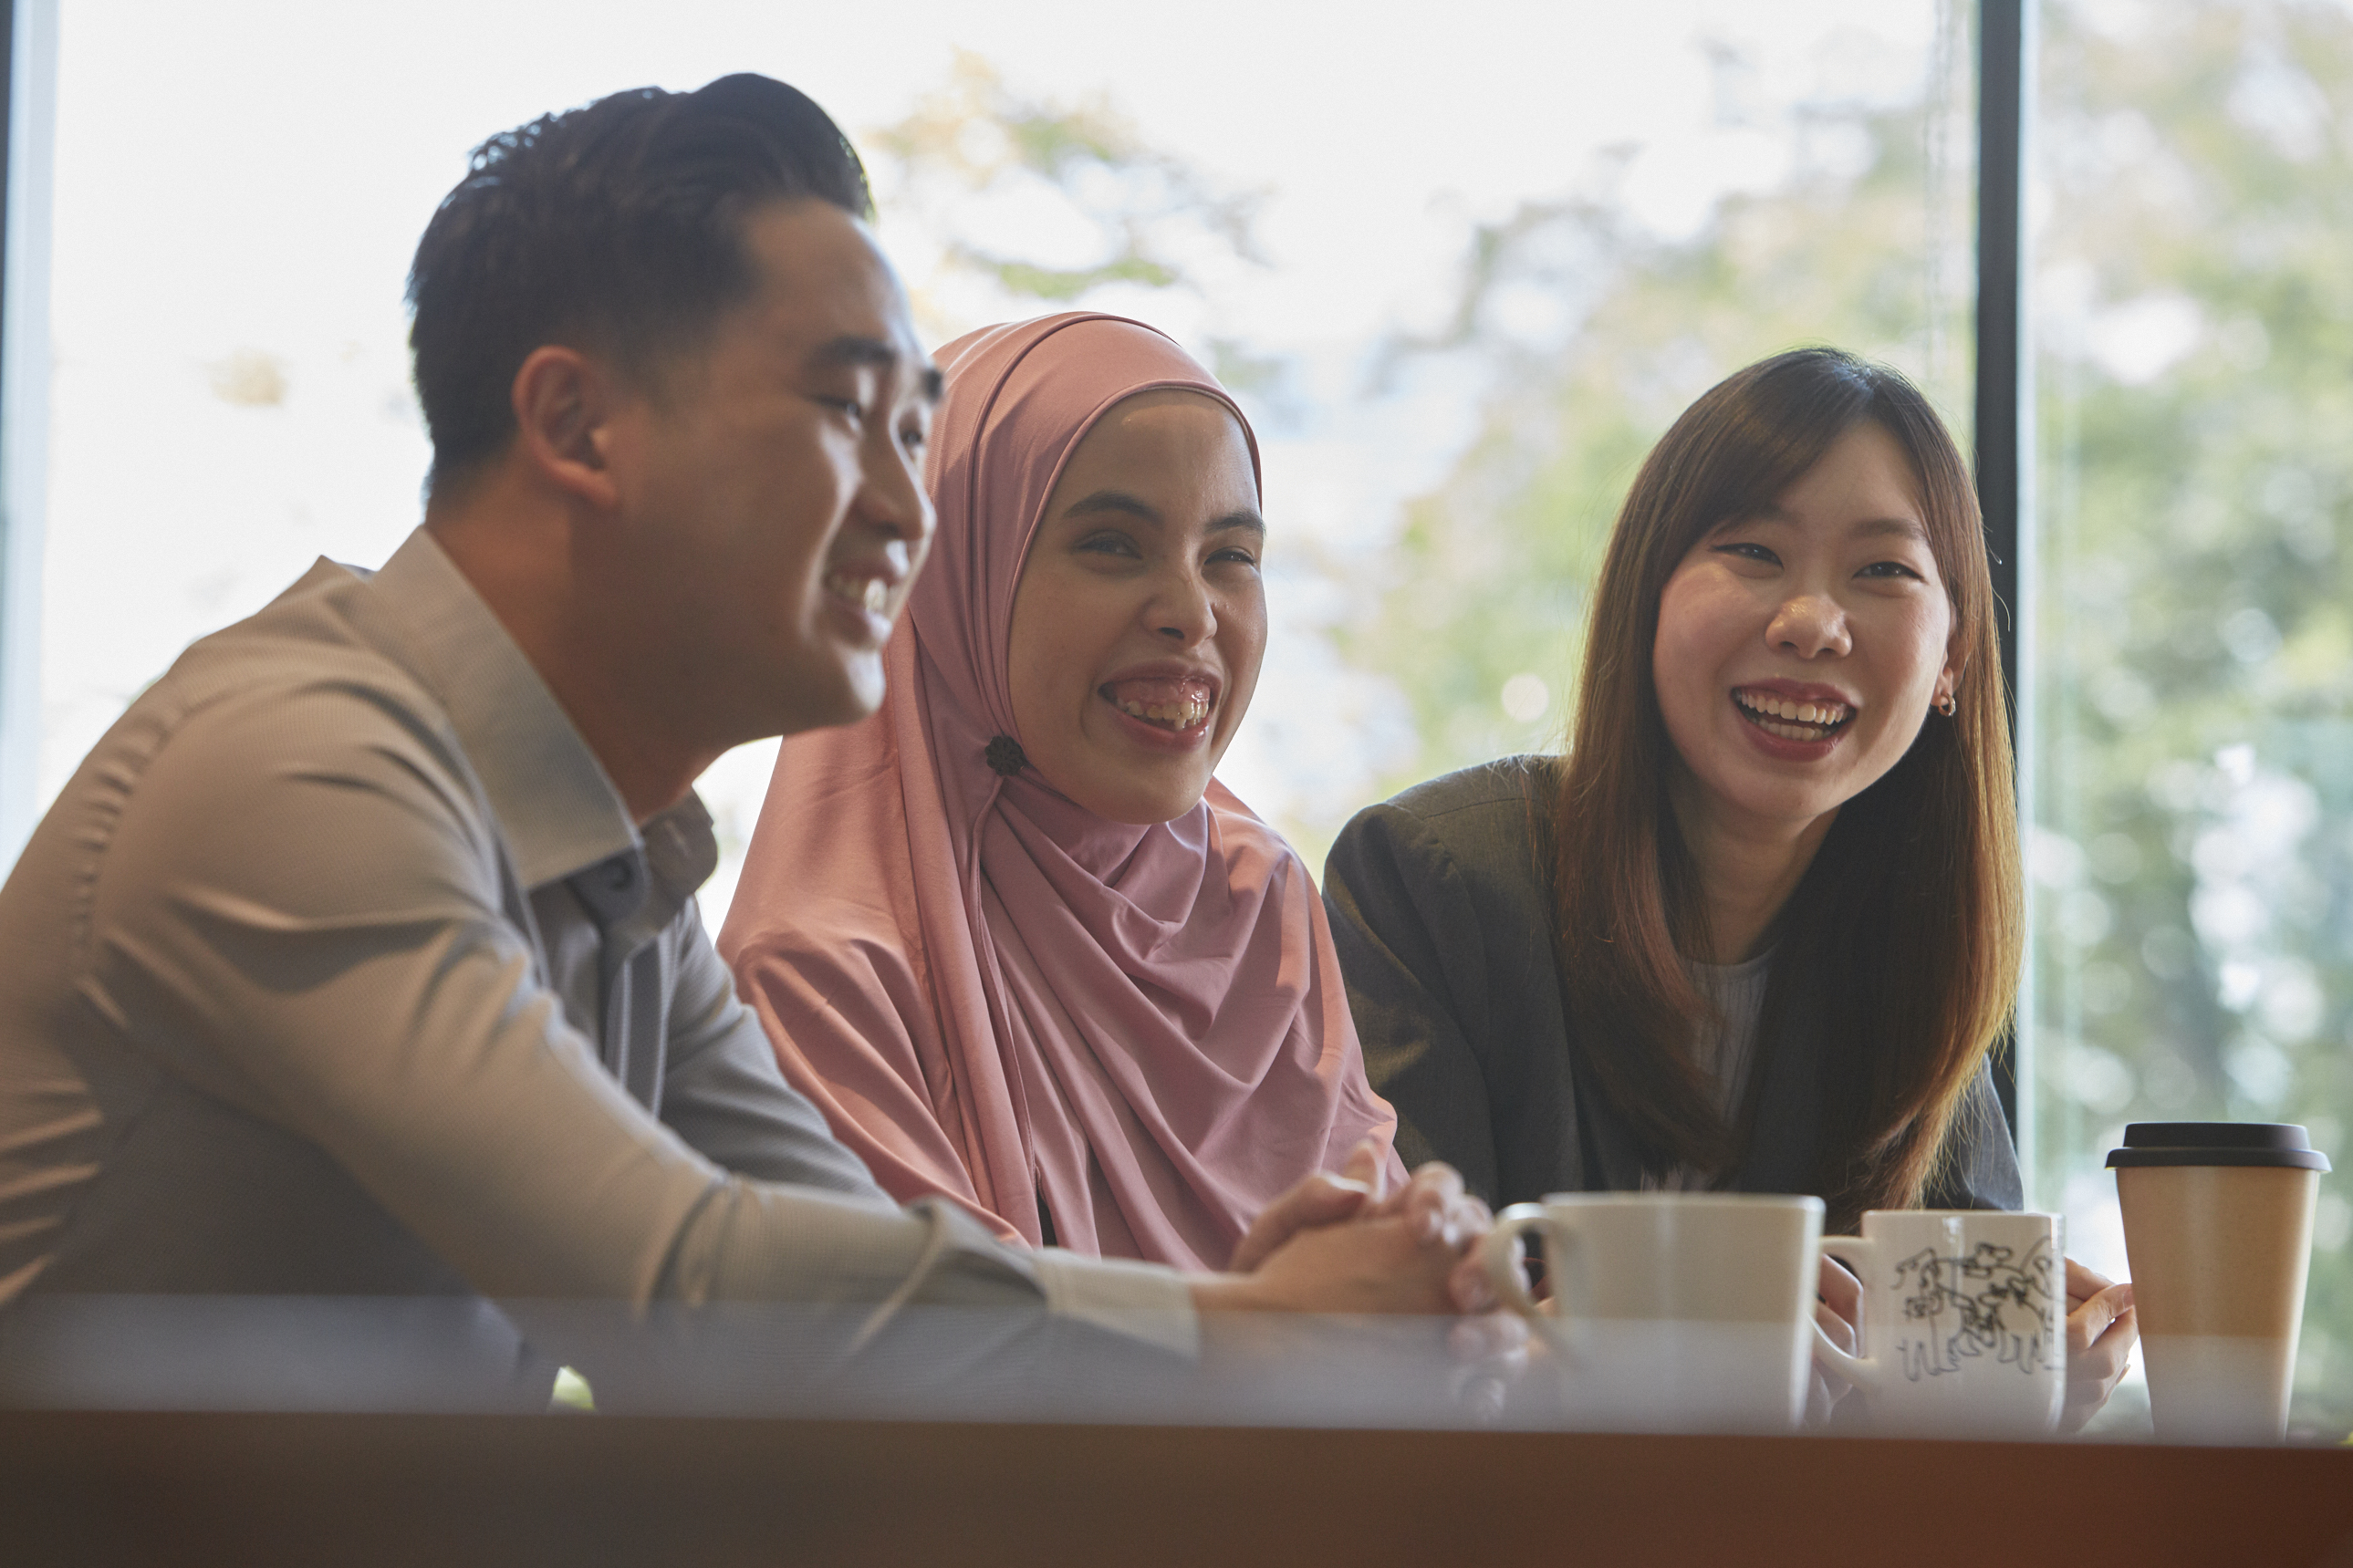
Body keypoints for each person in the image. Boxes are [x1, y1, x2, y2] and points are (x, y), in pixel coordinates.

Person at [0, 77, 1490, 1415]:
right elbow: (684, 1281)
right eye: (848, 410)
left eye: (918, 432)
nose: (911, 512)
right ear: (578, 425)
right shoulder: (301, 766)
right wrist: (1236, 1328)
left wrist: (1251, 1313)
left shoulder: (625, 875)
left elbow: (838, 1304)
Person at [1322, 347, 2136, 1428]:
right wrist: (1689, 1315)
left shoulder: (1921, 948)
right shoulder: (1432, 878)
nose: (1810, 621)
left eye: (1882, 571)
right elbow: (1385, 1351)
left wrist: (2031, 1389)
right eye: (1751, 551)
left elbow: (1921, 1411)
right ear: (1643, 600)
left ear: (1950, 662)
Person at [721, 313, 1407, 1272]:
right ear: (952, 575)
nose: (1189, 612)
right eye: (1112, 546)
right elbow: (932, 1368)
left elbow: (1380, 1299)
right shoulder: (824, 973)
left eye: (1230, 557)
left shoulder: (1256, 899)